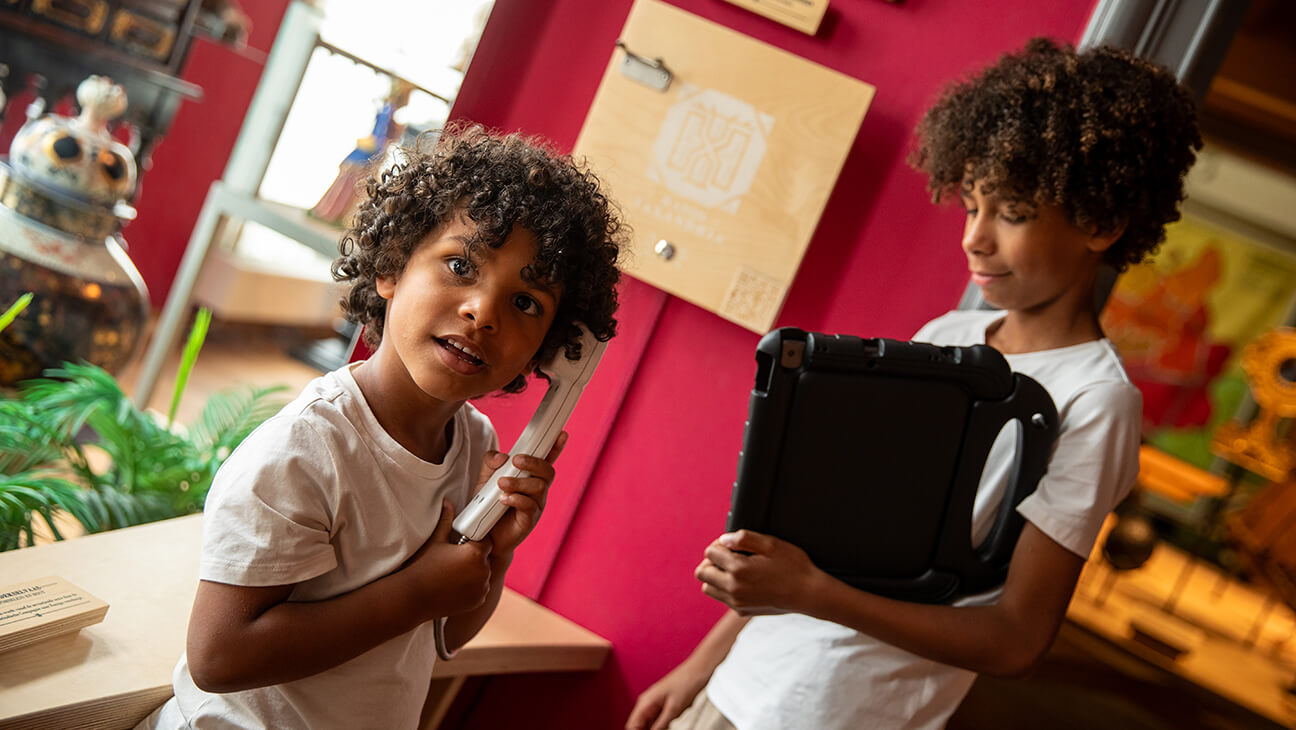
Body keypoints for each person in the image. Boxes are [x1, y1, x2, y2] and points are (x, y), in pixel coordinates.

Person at [628, 37, 1201, 730]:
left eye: (1012, 213)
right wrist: (702, 669)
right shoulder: (948, 339)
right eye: (971, 206)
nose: (974, 239)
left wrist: (810, 592)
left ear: (1101, 223)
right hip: (740, 690)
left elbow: (1016, 640)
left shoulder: (1096, 402)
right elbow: (820, 548)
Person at [141, 123, 626, 729]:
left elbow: (448, 632)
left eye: (525, 303)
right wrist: (415, 592)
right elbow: (218, 656)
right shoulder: (305, 452)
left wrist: (494, 556)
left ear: (546, 351)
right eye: (459, 265)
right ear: (392, 267)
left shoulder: (474, 447)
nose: (483, 312)